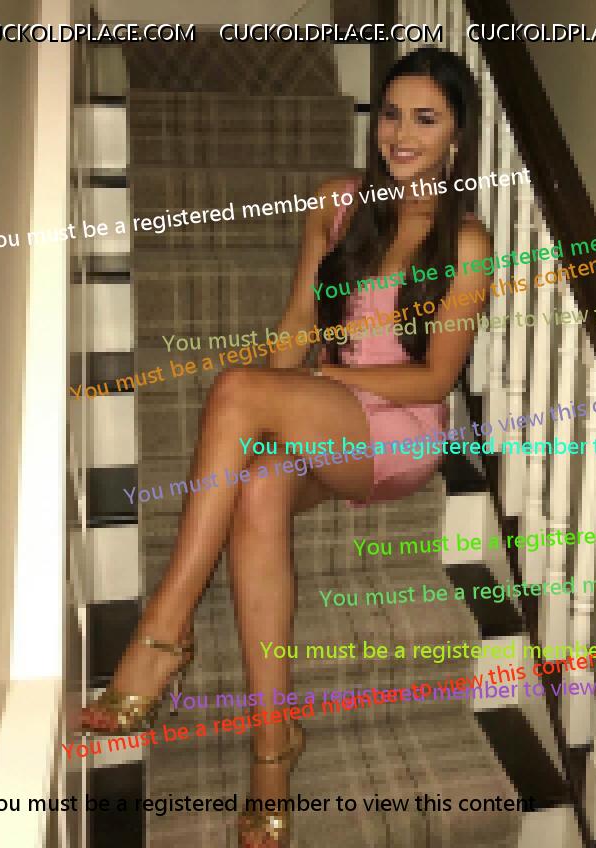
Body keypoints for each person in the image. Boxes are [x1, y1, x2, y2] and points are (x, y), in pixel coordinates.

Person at [78, 46, 489, 847]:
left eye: (425, 119)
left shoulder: (465, 241)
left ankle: (164, 631)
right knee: (259, 479)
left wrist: (302, 387)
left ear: (456, 137)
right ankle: (273, 749)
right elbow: (300, 320)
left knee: (238, 391)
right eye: (392, 115)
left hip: (398, 433)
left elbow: (436, 378)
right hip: (329, 418)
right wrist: (273, 411)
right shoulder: (338, 203)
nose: (401, 135)